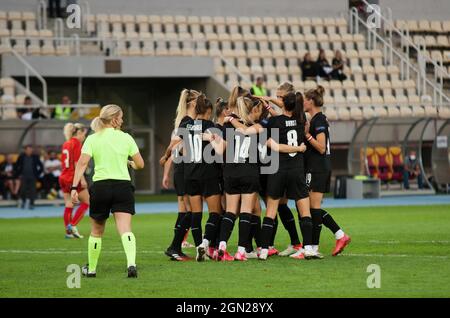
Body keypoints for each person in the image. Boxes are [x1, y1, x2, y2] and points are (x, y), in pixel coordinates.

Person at [71, 104, 144, 278]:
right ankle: (131, 265)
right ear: (114, 120)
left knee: (96, 231)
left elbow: (82, 163)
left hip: (101, 187)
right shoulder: (126, 138)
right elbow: (140, 164)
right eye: (121, 116)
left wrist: (74, 187)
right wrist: (130, 163)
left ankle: (92, 269)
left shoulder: (92, 138)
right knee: (125, 228)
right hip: (123, 187)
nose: (123, 120)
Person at [301, 85, 351, 257]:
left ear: (311, 101)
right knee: (311, 209)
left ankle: (339, 235)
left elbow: (321, 147)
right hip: (316, 167)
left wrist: (307, 135)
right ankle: (315, 246)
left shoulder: (319, 120)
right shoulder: (316, 119)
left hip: (318, 168)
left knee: (311, 209)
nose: (303, 103)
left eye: (305, 100)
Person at [160, 89, 202, 261]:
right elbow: (176, 141)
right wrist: (166, 154)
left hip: (184, 169)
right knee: (191, 212)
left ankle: (178, 247)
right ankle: (175, 247)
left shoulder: (189, 121)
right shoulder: (187, 121)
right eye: (199, 101)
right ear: (192, 103)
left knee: (190, 212)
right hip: (184, 170)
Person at [59, 123, 90, 239]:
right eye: (84, 134)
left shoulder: (66, 143)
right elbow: (78, 163)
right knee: (87, 202)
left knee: (69, 203)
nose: (84, 137)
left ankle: (68, 232)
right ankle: (72, 226)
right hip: (73, 177)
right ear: (79, 132)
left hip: (63, 177)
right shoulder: (77, 143)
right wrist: (82, 179)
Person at [15, 145, 44, 210]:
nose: (29, 151)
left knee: (32, 190)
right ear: (25, 150)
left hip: (33, 176)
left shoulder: (35, 157)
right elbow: (16, 166)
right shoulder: (21, 157)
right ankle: (23, 201)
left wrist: (37, 174)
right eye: (28, 150)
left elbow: (41, 166)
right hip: (24, 176)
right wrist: (18, 174)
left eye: (30, 150)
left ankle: (32, 203)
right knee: (23, 190)